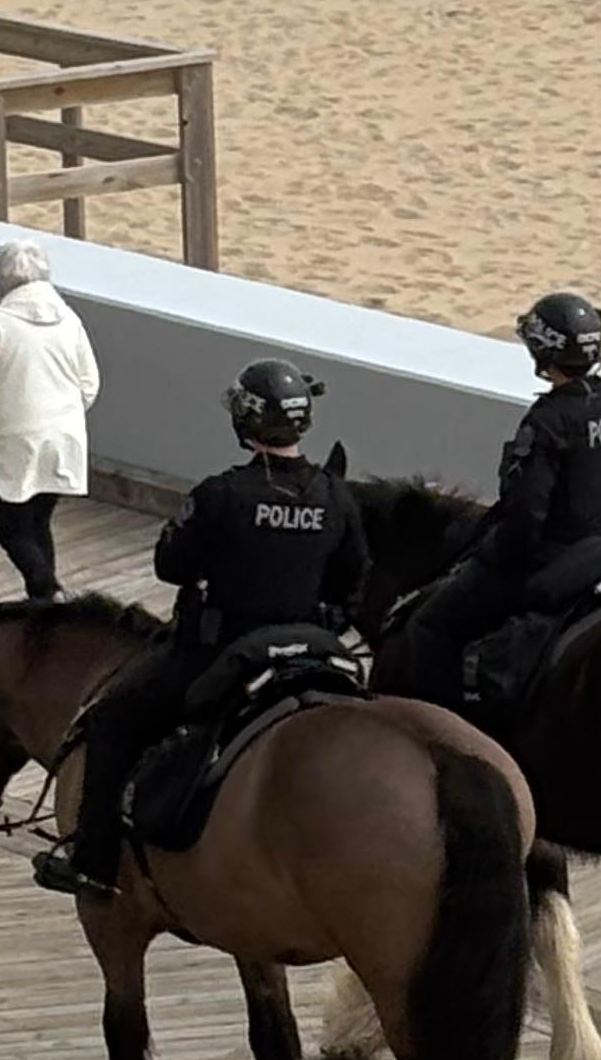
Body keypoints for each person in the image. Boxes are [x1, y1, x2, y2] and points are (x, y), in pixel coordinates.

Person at [34, 354, 368, 898]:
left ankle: (92, 863)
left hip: (221, 652)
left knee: (113, 721)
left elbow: (172, 564)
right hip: (312, 651)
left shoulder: (222, 494)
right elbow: (352, 583)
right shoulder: (337, 498)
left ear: (245, 422)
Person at [397, 290, 601, 698]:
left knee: (430, 626)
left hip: (557, 557)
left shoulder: (547, 420)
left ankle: (448, 728)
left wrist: (491, 556)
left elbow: (526, 517)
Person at [0, 235, 100, 599]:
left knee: (11, 528)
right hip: (64, 437)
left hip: (14, 438)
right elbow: (89, 384)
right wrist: (63, 413)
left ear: (0, 280)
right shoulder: (69, 319)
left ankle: (48, 591)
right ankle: (43, 601)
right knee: (38, 521)